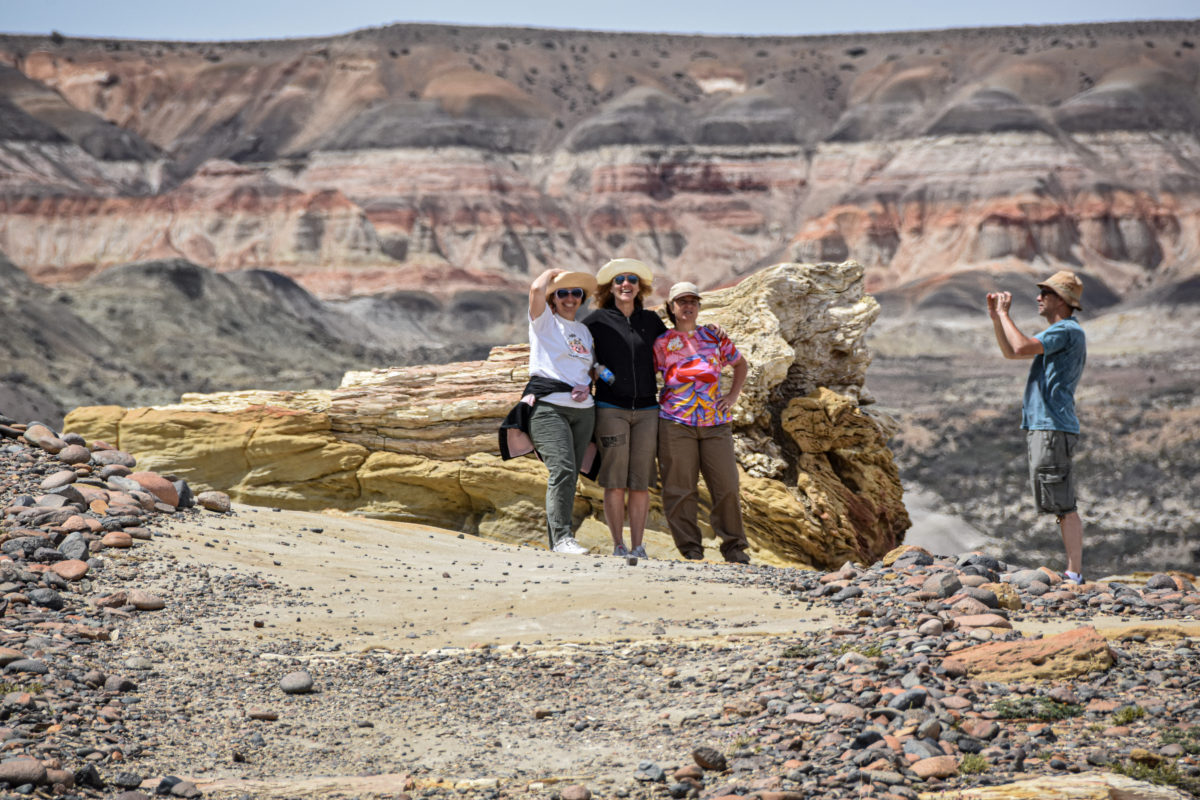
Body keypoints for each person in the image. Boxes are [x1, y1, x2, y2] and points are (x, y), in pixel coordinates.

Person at [987, 270, 1087, 583]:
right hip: (1047, 426)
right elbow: (1010, 352)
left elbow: (1019, 347)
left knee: (1063, 502)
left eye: (1046, 293)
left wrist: (1004, 314)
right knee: (1058, 499)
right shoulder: (1062, 332)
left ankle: (1074, 572)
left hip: (1052, 427)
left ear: (1063, 301)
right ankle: (1072, 570)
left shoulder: (1065, 330)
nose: (1039, 298)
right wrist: (997, 318)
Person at [654, 282, 750, 563]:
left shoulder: (714, 336)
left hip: (715, 423)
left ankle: (734, 547)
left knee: (727, 486)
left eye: (692, 301)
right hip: (674, 422)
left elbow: (740, 365)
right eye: (681, 301)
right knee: (680, 488)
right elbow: (649, 374)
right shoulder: (662, 342)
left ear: (699, 306)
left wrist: (732, 396)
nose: (688, 306)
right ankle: (690, 548)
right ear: (671, 308)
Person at [583, 258, 667, 559]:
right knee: (615, 481)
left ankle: (639, 546)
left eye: (632, 279)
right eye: (619, 280)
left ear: (640, 286)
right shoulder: (595, 321)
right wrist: (596, 369)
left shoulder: (652, 322)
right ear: (610, 287)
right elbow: (578, 353)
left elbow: (671, 354)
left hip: (647, 411)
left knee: (641, 482)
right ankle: (618, 545)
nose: (625, 284)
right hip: (610, 409)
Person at [525, 267, 599, 554]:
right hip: (549, 407)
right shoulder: (544, 322)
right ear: (553, 298)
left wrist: (594, 378)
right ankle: (563, 538)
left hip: (584, 411)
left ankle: (559, 540)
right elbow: (534, 291)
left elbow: (584, 367)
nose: (570, 298)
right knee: (563, 469)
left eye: (576, 293)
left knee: (570, 473)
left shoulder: (583, 331)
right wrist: (550, 273)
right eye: (563, 293)